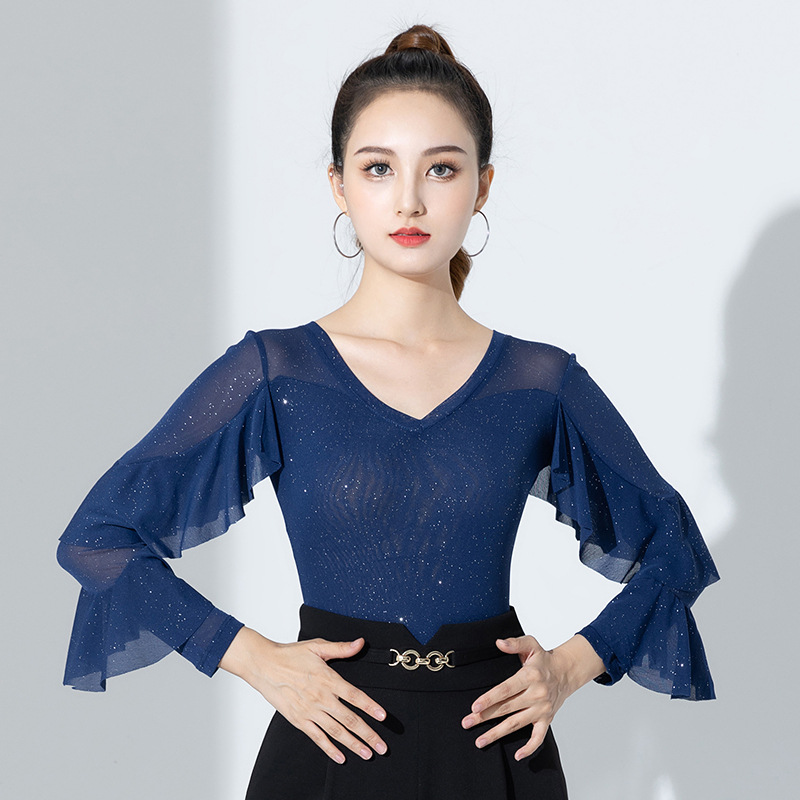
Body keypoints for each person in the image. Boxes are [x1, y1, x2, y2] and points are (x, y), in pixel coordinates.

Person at [57, 23, 720, 799]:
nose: (409, 199)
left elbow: (675, 551)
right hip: (327, 752)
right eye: (378, 168)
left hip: (498, 754)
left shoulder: (539, 382)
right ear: (339, 186)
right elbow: (99, 538)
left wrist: (569, 667)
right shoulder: (278, 372)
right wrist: (254, 658)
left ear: (482, 185)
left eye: (441, 168)